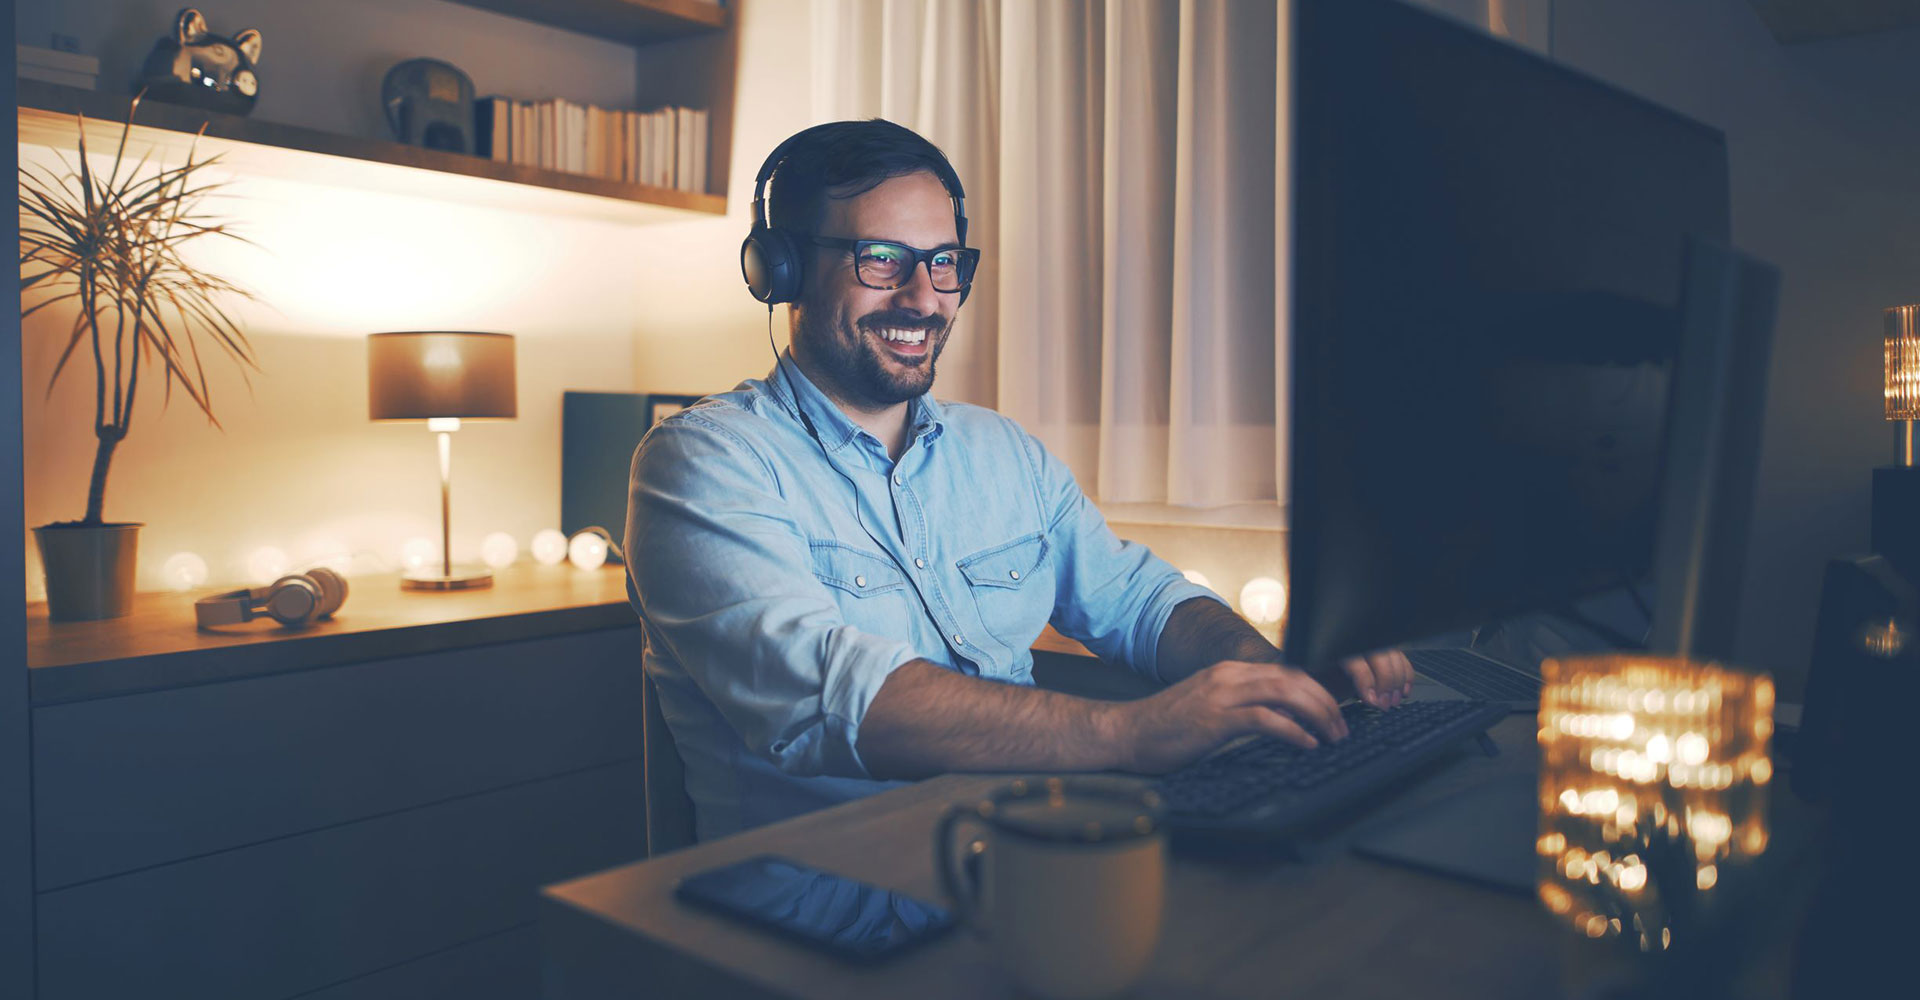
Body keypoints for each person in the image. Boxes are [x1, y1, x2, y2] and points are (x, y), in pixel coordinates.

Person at [625, 120, 1413, 841]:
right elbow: (835, 697)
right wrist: (1132, 735)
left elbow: (1140, 601)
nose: (923, 297)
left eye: (944, 264)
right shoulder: (704, 463)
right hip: (823, 915)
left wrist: (1270, 677)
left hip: (1021, 869)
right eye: (882, 260)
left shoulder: (1003, 452)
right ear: (782, 270)